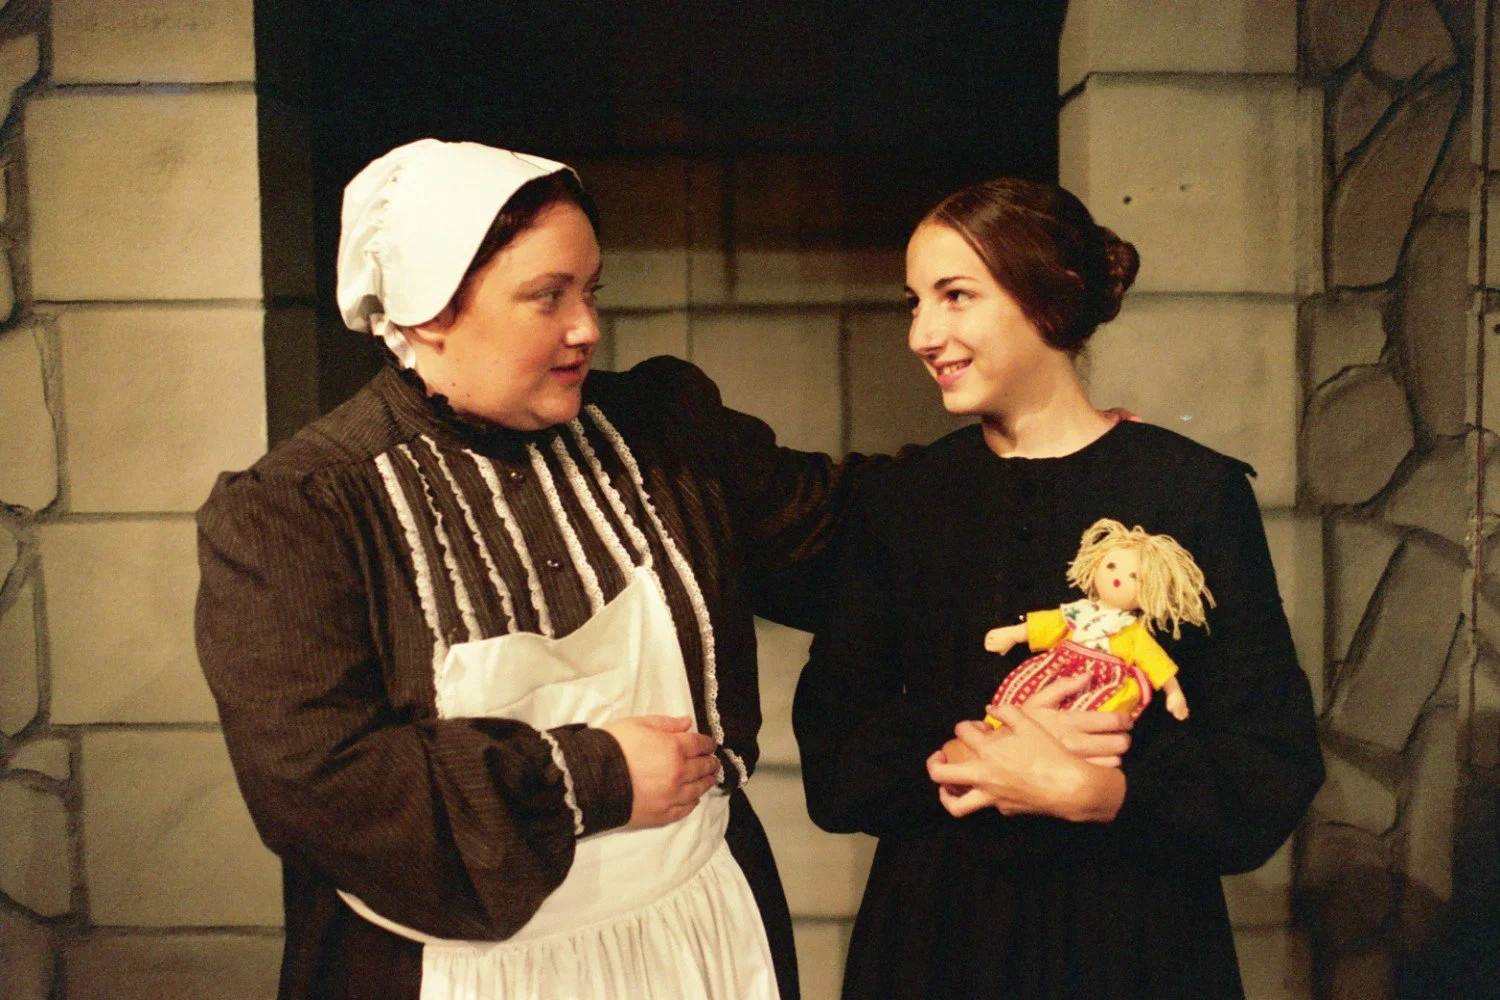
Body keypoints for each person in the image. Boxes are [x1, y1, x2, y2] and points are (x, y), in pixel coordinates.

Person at [194, 139, 875, 1000]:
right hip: (459, 969)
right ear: (429, 311)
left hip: (699, 932)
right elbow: (323, 785)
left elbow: (849, 530)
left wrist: (1060, 450)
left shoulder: (659, 431)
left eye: (590, 291)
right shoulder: (301, 510)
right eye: (547, 297)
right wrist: (600, 777)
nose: (588, 327)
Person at [792, 177, 1324, 998]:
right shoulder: (899, 504)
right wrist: (986, 743)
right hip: (936, 950)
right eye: (914, 303)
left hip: (1137, 948)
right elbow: (835, 762)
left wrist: (1107, 792)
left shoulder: (1194, 491)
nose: (923, 334)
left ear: (1053, 293)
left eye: (956, 295)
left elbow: (1271, 760)